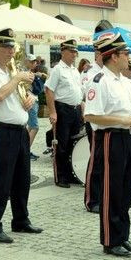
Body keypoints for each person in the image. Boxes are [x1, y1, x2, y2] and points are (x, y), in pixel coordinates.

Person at [0, 28, 42, 243]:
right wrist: (17, 78)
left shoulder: (10, 71)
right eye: (6, 47)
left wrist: (30, 98)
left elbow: (20, 96)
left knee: (22, 179)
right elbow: (1, 95)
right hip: (1, 130)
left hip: (20, 130)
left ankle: (21, 220)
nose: (11, 51)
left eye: (12, 47)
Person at [83, 32, 131, 257]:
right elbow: (91, 116)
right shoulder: (99, 81)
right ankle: (110, 239)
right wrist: (121, 119)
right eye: (126, 53)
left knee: (127, 190)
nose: (130, 57)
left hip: (128, 137)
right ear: (114, 56)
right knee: (112, 190)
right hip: (110, 138)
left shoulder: (126, 82)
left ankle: (123, 236)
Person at [45, 40, 84, 188]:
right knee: (61, 144)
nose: (74, 54)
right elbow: (49, 90)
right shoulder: (57, 70)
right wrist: (53, 111)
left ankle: (70, 174)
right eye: (71, 51)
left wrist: (82, 107)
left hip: (75, 109)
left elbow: (78, 91)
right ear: (63, 52)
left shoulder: (74, 70)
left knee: (73, 144)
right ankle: (60, 176)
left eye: (75, 52)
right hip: (63, 109)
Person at [81, 49, 104, 212]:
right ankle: (92, 199)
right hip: (96, 122)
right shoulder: (91, 73)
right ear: (97, 55)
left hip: (109, 123)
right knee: (96, 159)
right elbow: (87, 93)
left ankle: (105, 195)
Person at [24, 53, 44, 161]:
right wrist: (37, 75)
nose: (34, 63)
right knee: (34, 127)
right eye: (32, 62)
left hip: (32, 100)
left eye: (35, 62)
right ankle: (25, 151)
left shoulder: (31, 72)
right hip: (30, 100)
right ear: (26, 62)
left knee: (31, 127)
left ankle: (25, 149)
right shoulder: (26, 73)